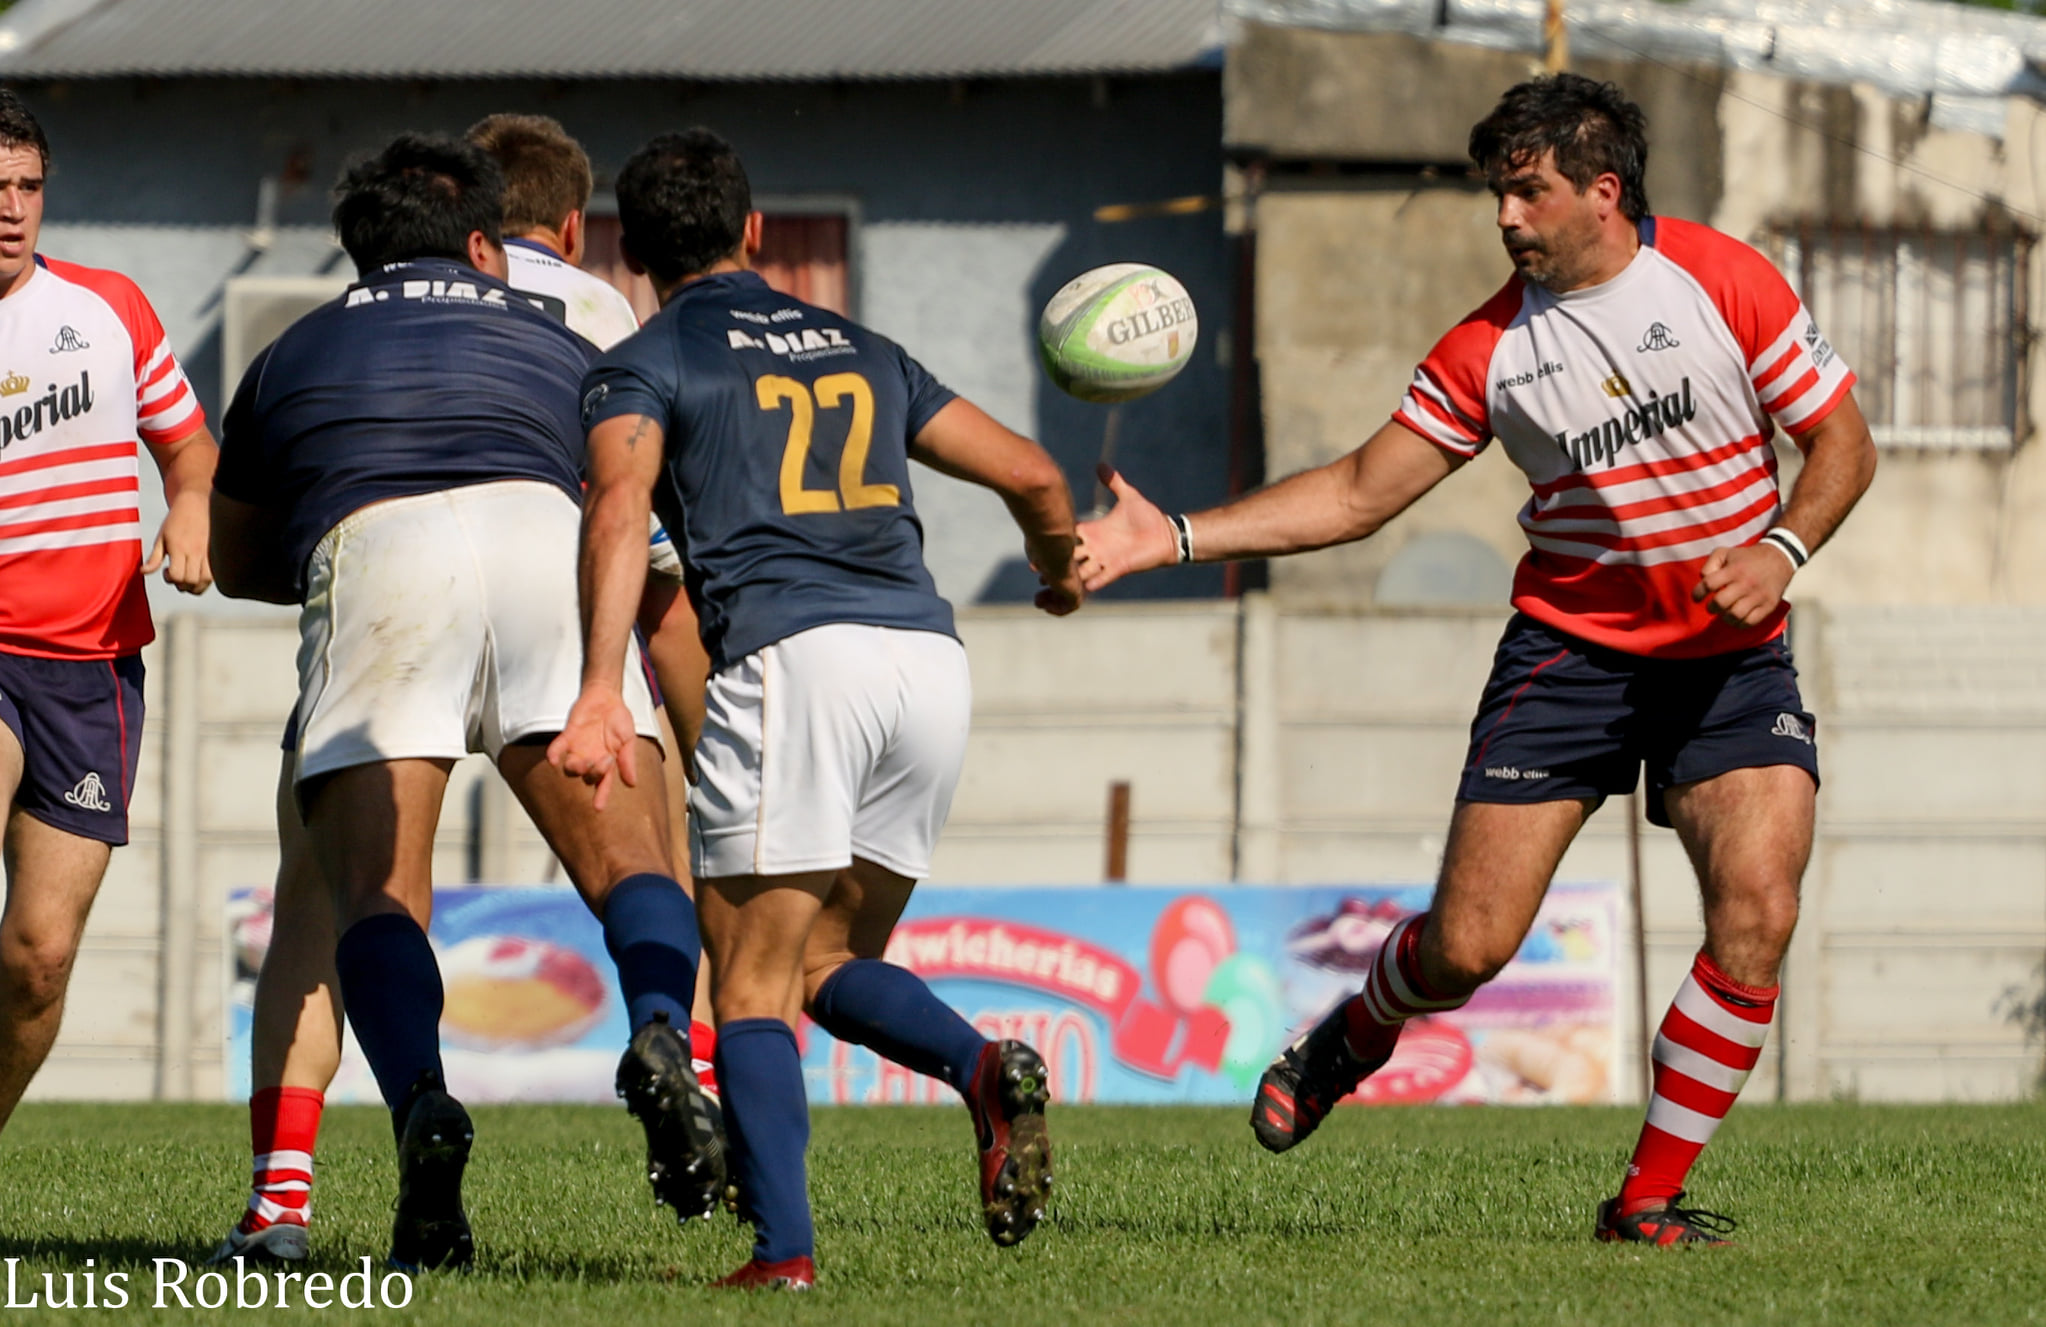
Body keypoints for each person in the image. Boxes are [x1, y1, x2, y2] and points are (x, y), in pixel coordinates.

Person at [1075, 74, 1877, 1246]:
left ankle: (1644, 1201)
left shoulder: (1724, 279)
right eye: (1498, 194)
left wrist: (1782, 544)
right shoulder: (1488, 349)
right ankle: (1354, 1036)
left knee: (1757, 911)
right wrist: (1178, 536)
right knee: (1467, 946)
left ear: (1603, 192)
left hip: (1730, 653)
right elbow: (1356, 492)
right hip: (1571, 656)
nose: (1505, 217)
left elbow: (1843, 445)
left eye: (1527, 191)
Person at [551, 128, 1082, 1291]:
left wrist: (598, 689)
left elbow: (616, 514)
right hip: (926, 662)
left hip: (795, 662)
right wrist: (1058, 569)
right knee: (823, 959)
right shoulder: (870, 348)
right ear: (755, 233)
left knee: (745, 983)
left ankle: (781, 1255)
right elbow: (1038, 477)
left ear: (631, 251)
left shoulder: (640, 361)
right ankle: (982, 1068)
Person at [209, 111, 720, 1267]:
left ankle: (421, 1113)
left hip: (383, 552)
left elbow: (240, 562)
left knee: (377, 902)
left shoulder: (294, 350)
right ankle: (657, 1032)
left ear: (362, 254)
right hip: (548, 539)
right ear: (487, 247)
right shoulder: (570, 344)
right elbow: (634, 519)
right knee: (635, 866)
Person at [0, 87, 215, 1140]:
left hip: (91, 669)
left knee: (38, 959)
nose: (10, 206)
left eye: (27, 186)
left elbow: (187, 444)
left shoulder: (111, 309)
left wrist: (188, 511)